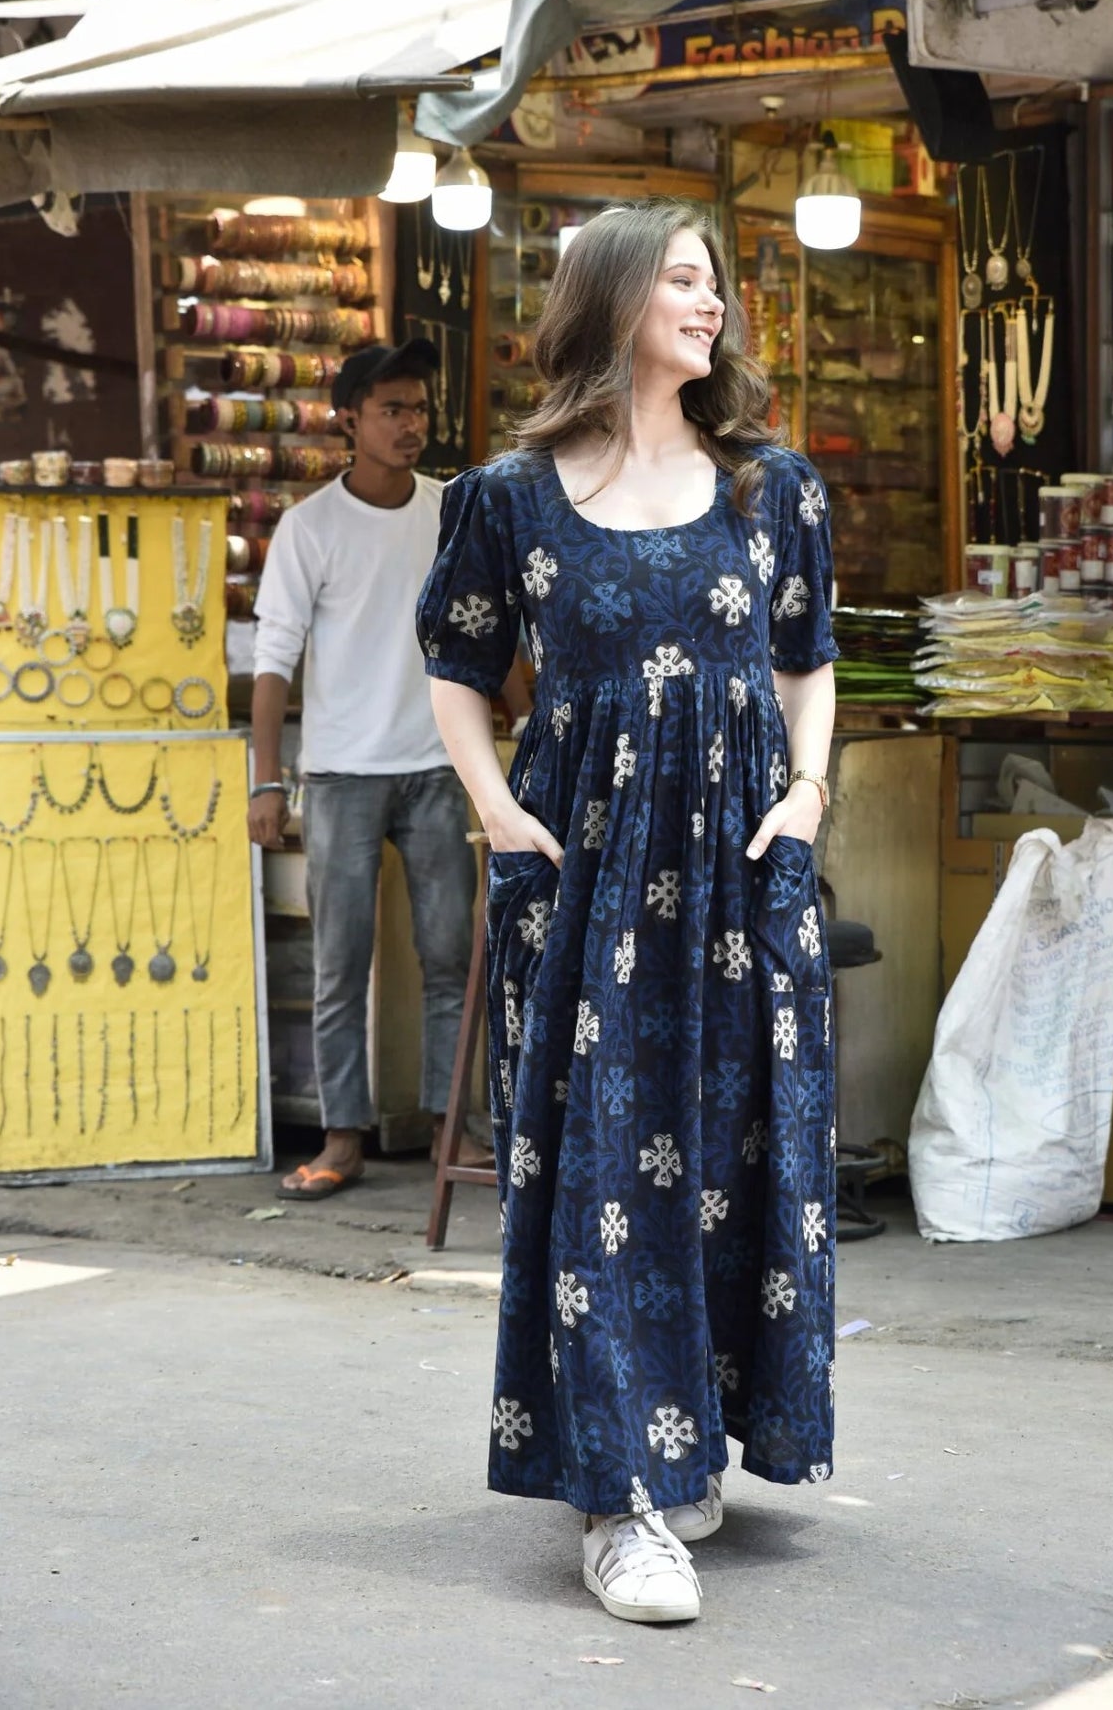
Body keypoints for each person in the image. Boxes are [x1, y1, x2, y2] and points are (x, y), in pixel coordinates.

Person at [416, 202, 839, 1625]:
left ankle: (692, 1435)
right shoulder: (511, 496)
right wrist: (495, 808)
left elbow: (804, 659)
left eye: (712, 283)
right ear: (608, 300)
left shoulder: (773, 490)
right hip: (584, 870)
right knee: (598, 1160)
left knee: (734, 1148)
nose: (707, 303)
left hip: (737, 863)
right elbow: (458, 668)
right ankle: (620, 1498)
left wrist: (810, 794)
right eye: (679, 279)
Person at [250, 338, 495, 1199]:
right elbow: (274, 660)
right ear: (348, 420)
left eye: (419, 408)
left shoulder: (452, 511)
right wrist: (266, 779)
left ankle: (448, 1125)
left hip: (437, 764)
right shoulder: (310, 526)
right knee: (338, 963)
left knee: (449, 956)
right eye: (392, 409)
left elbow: (490, 626)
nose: (410, 424)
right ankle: (342, 1136)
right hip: (341, 775)